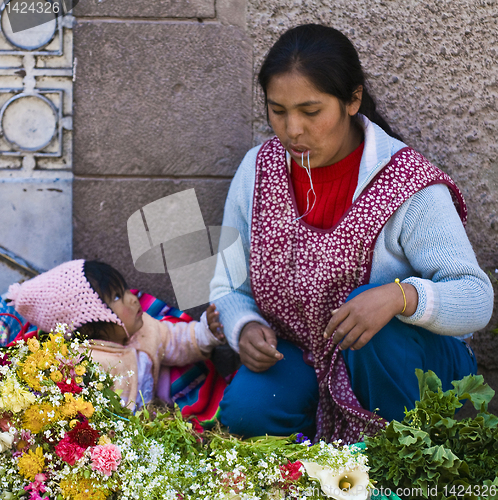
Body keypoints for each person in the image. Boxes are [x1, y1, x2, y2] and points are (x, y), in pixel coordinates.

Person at [210, 24, 493, 443]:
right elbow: (228, 286)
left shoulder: (407, 184)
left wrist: (400, 297)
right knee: (247, 415)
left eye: (310, 112)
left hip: (399, 361)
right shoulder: (258, 170)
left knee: (373, 319)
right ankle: (319, 471)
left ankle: (400, 456)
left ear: (352, 100)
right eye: (278, 110)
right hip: (303, 352)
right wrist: (244, 326)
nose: (292, 130)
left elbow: (476, 298)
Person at [6, 259, 225, 411]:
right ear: (89, 324)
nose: (132, 298)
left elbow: (176, 340)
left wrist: (206, 332)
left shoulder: (145, 328)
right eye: (118, 297)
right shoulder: (83, 362)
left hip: (151, 423)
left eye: (125, 290)